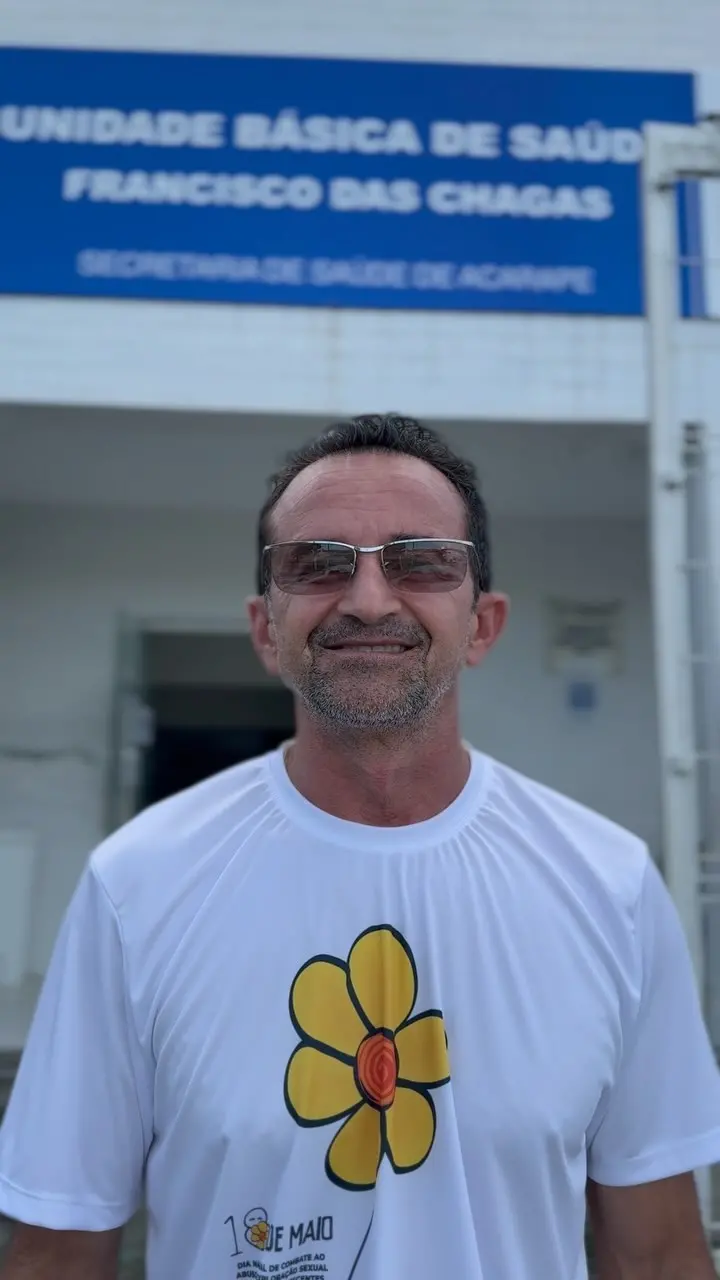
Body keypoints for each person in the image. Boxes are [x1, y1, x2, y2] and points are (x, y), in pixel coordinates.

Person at [1, 413, 720, 1280]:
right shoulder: (137, 885)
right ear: (265, 629)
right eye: (317, 563)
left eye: (422, 561)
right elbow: (57, 1252)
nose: (369, 600)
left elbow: (658, 1254)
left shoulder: (610, 886)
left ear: (483, 625)